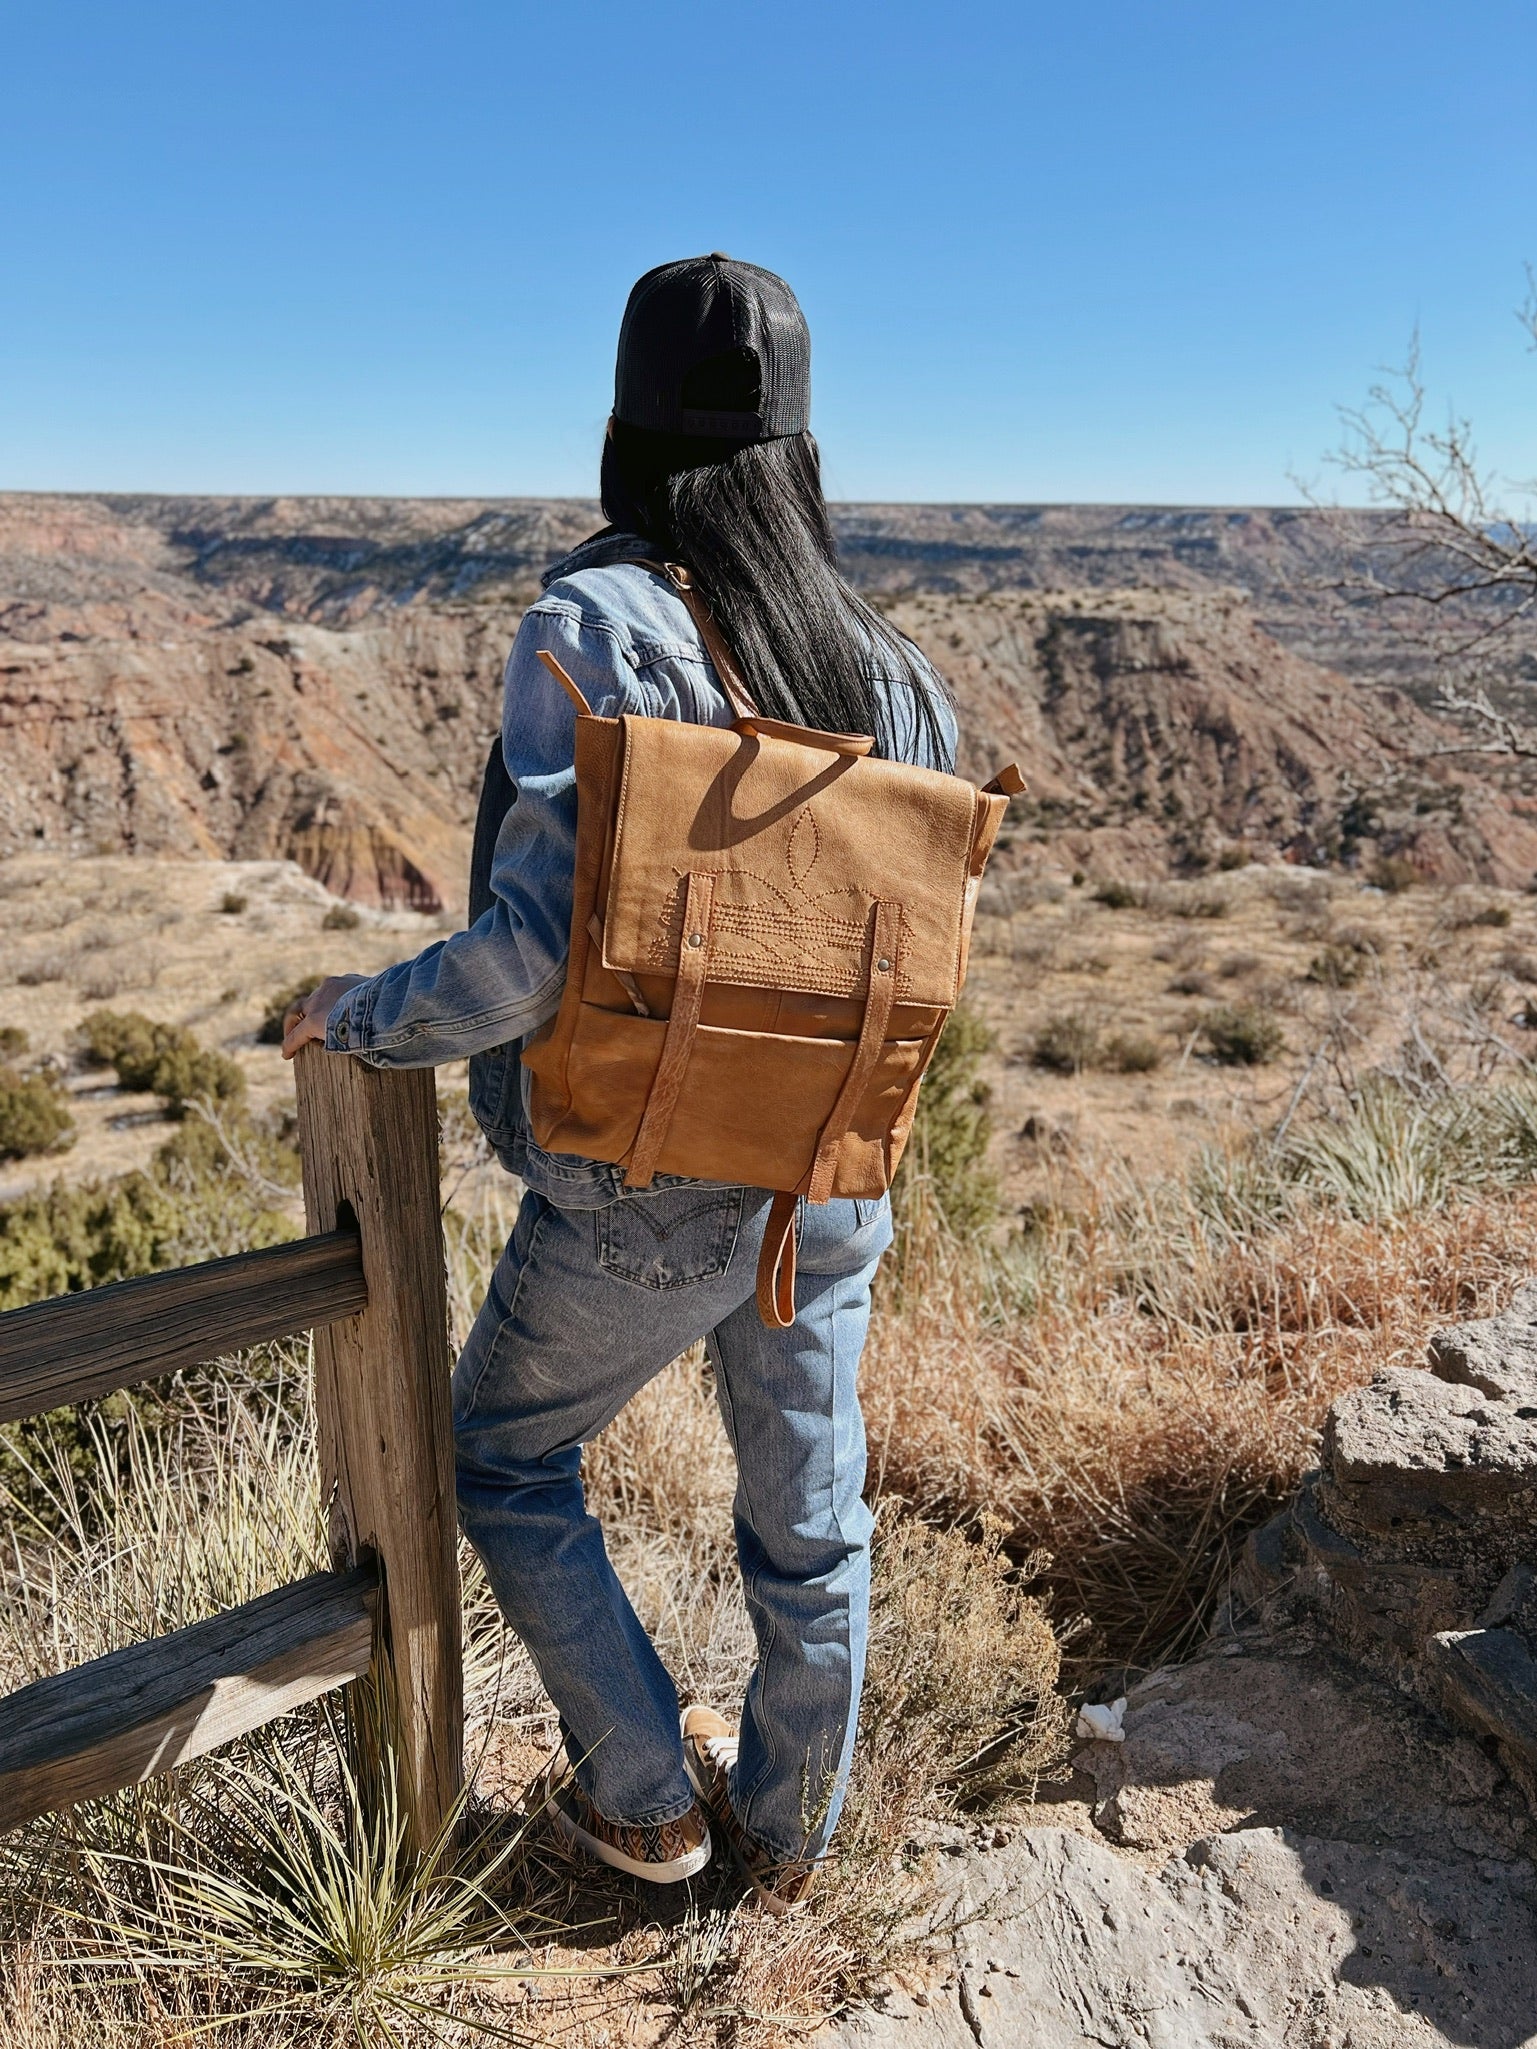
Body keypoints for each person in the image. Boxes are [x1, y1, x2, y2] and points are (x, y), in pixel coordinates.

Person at [283, 255, 956, 1913]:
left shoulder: (599, 625)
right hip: (823, 1178)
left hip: (645, 1186)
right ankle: (790, 1837)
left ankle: (647, 1795)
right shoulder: (892, 666)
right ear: (799, 449)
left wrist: (353, 1017)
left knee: (502, 1461)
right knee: (808, 1520)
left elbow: (522, 958)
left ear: (624, 430)